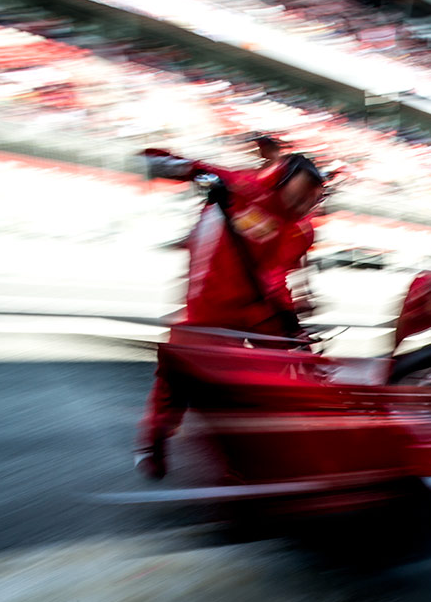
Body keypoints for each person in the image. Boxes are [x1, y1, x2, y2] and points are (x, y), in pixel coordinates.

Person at [135, 150, 327, 479]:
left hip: (255, 308)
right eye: (300, 196)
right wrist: (174, 168)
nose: (304, 206)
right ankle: (153, 444)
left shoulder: (299, 230)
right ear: (282, 180)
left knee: (289, 369)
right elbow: (169, 161)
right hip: (206, 305)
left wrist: (292, 325)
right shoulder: (241, 186)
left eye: (311, 201)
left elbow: (277, 276)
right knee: (175, 378)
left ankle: (289, 441)